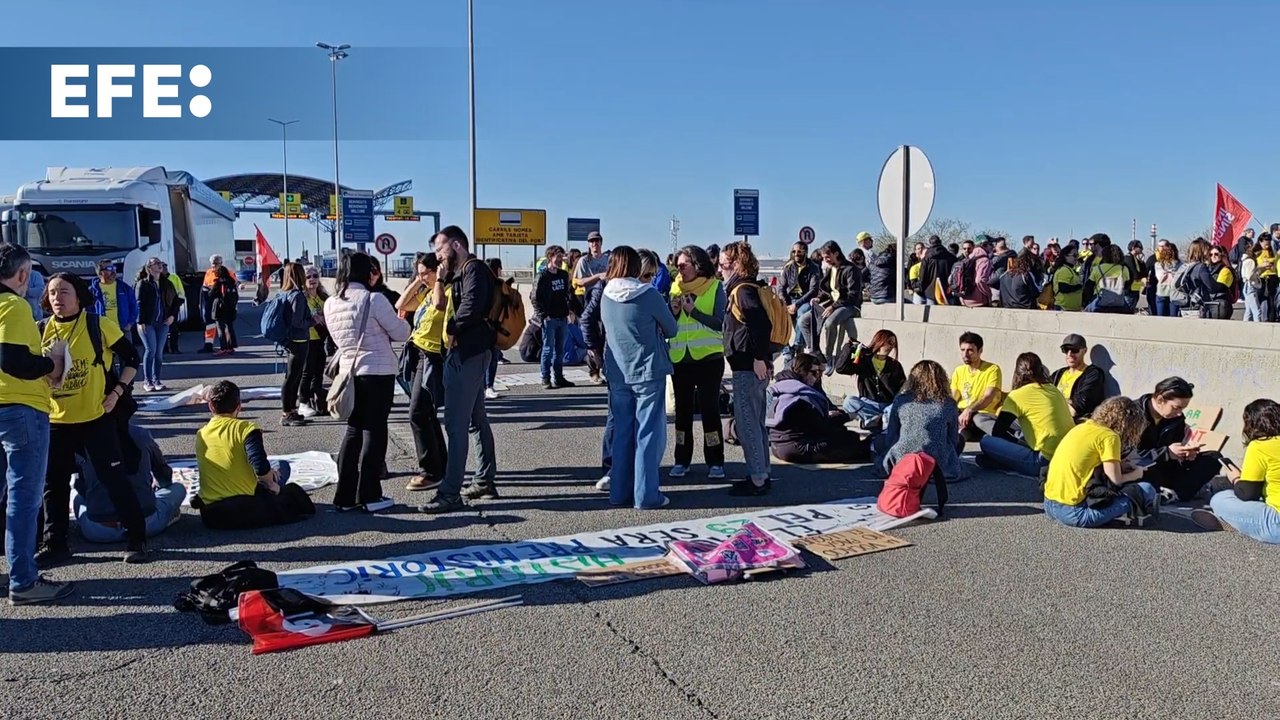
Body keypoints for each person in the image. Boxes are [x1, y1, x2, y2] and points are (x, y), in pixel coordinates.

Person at [39, 272, 147, 564]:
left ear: (79, 296)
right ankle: (55, 543)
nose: (57, 298)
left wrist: (117, 393)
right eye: (52, 293)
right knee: (54, 485)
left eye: (64, 292)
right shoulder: (40, 330)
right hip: (56, 421)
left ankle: (136, 537)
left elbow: (133, 359)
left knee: (114, 478)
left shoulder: (97, 325)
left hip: (95, 418)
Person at [0, 244, 72, 605]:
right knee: (23, 499)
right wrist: (50, 364)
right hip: (20, 408)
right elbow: (13, 360)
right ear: (23, 274)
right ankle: (24, 581)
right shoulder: (13, 306)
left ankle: (14, 572)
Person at [419, 226, 498, 514]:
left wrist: (451, 330)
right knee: (476, 419)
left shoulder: (473, 270)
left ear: (456, 245)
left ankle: (450, 492)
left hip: (467, 353)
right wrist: (439, 277)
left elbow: (470, 308)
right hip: (468, 353)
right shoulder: (458, 272)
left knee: (456, 424)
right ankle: (485, 479)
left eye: (441, 250)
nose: (438, 257)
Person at [324, 252, 409, 513]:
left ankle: (345, 496)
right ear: (367, 272)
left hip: (349, 372)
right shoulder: (374, 299)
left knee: (353, 431)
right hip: (377, 372)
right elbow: (401, 333)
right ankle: (370, 494)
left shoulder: (330, 303)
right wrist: (402, 317)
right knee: (375, 431)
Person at [600, 246, 679, 509]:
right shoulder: (648, 294)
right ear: (636, 267)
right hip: (647, 369)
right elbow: (671, 328)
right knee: (647, 434)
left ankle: (619, 493)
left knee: (622, 432)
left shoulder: (606, 294)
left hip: (618, 371)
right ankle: (646, 495)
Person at [192, 380, 314, 528]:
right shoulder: (246, 428)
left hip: (211, 514)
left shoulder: (201, 433)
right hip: (245, 507)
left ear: (210, 406)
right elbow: (260, 467)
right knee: (282, 468)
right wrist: (271, 484)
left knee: (274, 470)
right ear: (239, 407)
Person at [1042, 396, 1158, 528]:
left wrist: (1121, 466)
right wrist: (1137, 474)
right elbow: (1116, 479)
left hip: (1049, 505)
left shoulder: (1082, 426)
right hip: (1074, 513)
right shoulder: (1109, 437)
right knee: (1146, 489)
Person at [668, 245, 727, 481]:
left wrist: (694, 312)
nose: (679, 269)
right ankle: (681, 460)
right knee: (682, 413)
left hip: (708, 359)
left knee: (710, 411)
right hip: (681, 358)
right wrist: (671, 312)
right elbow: (670, 323)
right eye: (677, 266)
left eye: (684, 265)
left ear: (697, 264)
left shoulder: (714, 287)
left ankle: (715, 460)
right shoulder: (674, 287)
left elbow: (719, 323)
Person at [719, 241, 774, 496]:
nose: (721, 271)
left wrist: (759, 357)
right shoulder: (750, 287)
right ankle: (762, 471)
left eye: (724, 265)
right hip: (752, 365)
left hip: (748, 367)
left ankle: (758, 477)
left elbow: (759, 324)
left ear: (736, 265)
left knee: (747, 423)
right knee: (756, 422)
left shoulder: (742, 291)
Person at [71, 423, 185, 542]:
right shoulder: (140, 434)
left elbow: (81, 487)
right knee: (178, 489)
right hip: (146, 523)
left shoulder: (81, 439)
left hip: (99, 530)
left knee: (78, 499)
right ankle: (164, 515)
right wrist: (160, 486)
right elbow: (162, 473)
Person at [977, 352, 1075, 479]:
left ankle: (1006, 462)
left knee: (986, 441)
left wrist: (1017, 442)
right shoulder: (1052, 388)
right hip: (1066, 454)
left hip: (1043, 460)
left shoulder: (1016, 396)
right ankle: (1005, 460)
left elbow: (998, 431)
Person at [768, 353, 868, 465]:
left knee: (840, 432)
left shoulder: (784, 388)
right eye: (814, 372)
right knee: (850, 438)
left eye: (819, 373)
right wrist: (846, 417)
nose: (817, 376)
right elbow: (821, 427)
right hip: (796, 448)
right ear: (803, 371)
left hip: (777, 446)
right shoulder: (802, 396)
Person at [1134, 377, 1221, 503]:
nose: (1180, 413)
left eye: (1182, 409)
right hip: (1141, 469)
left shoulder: (1176, 419)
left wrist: (1186, 454)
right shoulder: (1132, 415)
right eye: (1176, 407)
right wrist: (1166, 453)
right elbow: (1126, 455)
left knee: (1214, 458)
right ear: (1160, 400)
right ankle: (1173, 492)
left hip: (1167, 467)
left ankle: (1172, 493)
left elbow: (1176, 447)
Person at [405, 253, 451, 492]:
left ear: (439, 270)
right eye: (420, 273)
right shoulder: (424, 290)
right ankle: (442, 465)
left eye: (426, 273)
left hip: (433, 356)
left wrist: (439, 281)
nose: (423, 278)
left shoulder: (446, 290)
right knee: (427, 414)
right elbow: (401, 305)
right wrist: (417, 280)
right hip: (418, 353)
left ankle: (430, 471)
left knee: (418, 413)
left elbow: (439, 306)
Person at [1204, 399, 1280, 541]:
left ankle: (1238, 523)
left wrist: (1236, 478)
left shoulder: (1260, 445)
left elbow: (1248, 494)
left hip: (1276, 524)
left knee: (1220, 498)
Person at [878, 360, 965, 483]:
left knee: (878, 441)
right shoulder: (948, 403)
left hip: (902, 458)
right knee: (960, 440)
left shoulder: (902, 400)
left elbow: (891, 435)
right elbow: (953, 439)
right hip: (937, 463)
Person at [807, 240, 862, 366]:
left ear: (836, 254)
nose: (825, 260)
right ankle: (814, 349)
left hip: (850, 306)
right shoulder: (831, 269)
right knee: (805, 319)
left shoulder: (850, 269)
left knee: (830, 323)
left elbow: (852, 295)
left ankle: (829, 357)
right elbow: (827, 290)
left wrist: (833, 307)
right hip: (835, 305)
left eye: (828, 257)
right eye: (824, 257)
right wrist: (819, 299)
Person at [840, 329, 905, 431]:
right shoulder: (864, 359)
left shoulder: (895, 365)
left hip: (887, 405)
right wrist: (848, 347)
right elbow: (841, 368)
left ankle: (872, 421)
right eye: (889, 342)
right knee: (849, 401)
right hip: (868, 404)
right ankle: (877, 421)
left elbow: (902, 388)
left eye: (893, 343)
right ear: (880, 341)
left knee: (896, 407)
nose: (891, 346)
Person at [134, 257, 180, 392]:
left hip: (163, 322)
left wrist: (172, 316)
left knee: (159, 353)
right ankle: (147, 381)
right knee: (151, 350)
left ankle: (156, 380)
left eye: (161, 264)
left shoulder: (167, 283)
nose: (160, 266)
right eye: (157, 264)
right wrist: (140, 321)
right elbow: (138, 303)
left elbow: (176, 301)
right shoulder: (143, 284)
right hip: (147, 323)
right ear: (149, 268)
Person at [277, 263, 314, 427]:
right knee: (293, 377)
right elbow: (297, 321)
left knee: (293, 376)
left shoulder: (284, 293)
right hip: (299, 340)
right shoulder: (297, 296)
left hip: (291, 340)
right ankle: (287, 412)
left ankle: (291, 410)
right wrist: (314, 320)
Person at [533, 245, 576, 390]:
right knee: (548, 349)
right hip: (549, 318)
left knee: (560, 350)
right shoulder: (542, 276)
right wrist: (543, 316)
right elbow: (534, 297)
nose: (560, 260)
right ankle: (545, 378)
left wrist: (570, 310)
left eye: (561, 257)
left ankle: (559, 377)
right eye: (558, 257)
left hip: (562, 317)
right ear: (550, 257)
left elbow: (568, 294)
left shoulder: (563, 275)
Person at [951, 331, 1003, 440]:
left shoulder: (992, 369)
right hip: (961, 413)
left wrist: (970, 410)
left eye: (970, 350)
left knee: (976, 420)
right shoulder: (959, 371)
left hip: (981, 414)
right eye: (962, 350)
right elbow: (953, 398)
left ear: (980, 351)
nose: (965, 354)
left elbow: (988, 397)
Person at [575, 231, 611, 384]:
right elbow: (579, 282)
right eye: (591, 242)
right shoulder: (584, 261)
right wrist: (598, 277)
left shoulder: (608, 259)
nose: (594, 244)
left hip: (607, 299)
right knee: (592, 335)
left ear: (601, 243)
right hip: (591, 300)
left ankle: (607, 368)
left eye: (597, 241)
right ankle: (593, 372)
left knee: (606, 335)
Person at [779, 242, 821, 362]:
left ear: (805, 252)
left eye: (799, 251)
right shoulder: (788, 267)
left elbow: (813, 290)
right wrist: (785, 304)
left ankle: (797, 345)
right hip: (789, 299)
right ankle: (786, 349)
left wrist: (796, 305)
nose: (796, 254)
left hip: (804, 300)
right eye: (794, 251)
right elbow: (781, 287)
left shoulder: (813, 268)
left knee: (802, 313)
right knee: (778, 315)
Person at [297, 265, 330, 418]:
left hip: (320, 339)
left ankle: (317, 400)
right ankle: (303, 402)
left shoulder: (323, 297)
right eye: (308, 277)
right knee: (306, 372)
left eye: (315, 276)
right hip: (306, 338)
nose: (312, 280)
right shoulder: (301, 298)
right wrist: (313, 319)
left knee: (318, 372)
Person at [89, 259, 139, 346]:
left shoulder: (124, 288)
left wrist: (130, 323)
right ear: (101, 273)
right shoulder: (92, 291)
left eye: (114, 267)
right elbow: (88, 310)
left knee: (128, 357)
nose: (113, 271)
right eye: (109, 268)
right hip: (102, 330)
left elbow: (134, 307)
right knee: (106, 358)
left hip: (123, 329)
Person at [211, 265, 239, 355]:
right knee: (229, 327)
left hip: (219, 308)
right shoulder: (232, 282)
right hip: (230, 308)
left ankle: (223, 348)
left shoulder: (218, 283)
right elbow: (236, 296)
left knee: (220, 328)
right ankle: (231, 347)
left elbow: (211, 294)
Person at [199, 255, 224, 353]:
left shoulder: (225, 272)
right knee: (209, 323)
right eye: (213, 263)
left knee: (222, 324)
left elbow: (234, 283)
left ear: (221, 263)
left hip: (220, 301)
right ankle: (208, 345)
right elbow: (205, 286)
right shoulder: (209, 272)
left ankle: (225, 346)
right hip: (209, 301)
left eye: (216, 263)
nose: (214, 265)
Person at [164, 262, 185, 354]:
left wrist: (179, 301)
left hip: (173, 305)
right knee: (163, 329)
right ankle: (164, 349)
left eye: (165, 267)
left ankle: (174, 348)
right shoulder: (158, 279)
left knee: (174, 329)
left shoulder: (174, 277)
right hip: (163, 307)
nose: (164, 269)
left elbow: (180, 290)